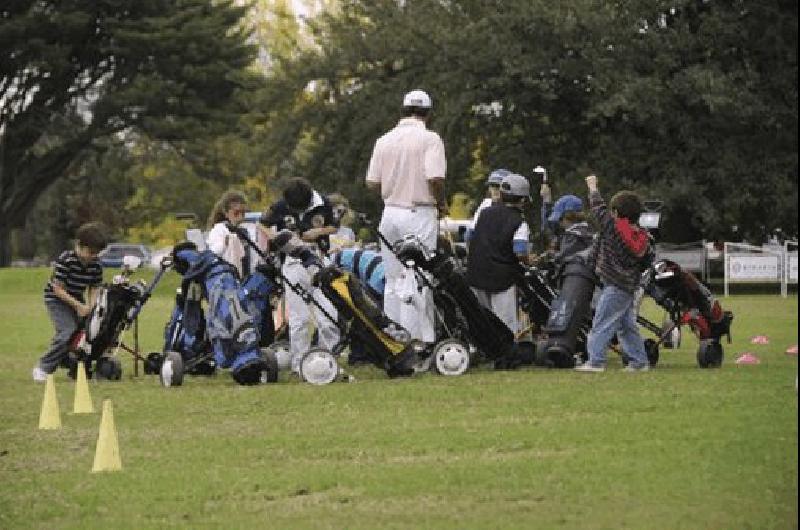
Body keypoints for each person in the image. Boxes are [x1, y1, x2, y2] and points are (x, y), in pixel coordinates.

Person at [365, 89, 446, 345]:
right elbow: (435, 177)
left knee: (392, 279)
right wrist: (441, 202)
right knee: (418, 277)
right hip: (418, 211)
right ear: (428, 114)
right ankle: (418, 339)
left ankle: (393, 340)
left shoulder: (384, 140)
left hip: (390, 213)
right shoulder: (430, 139)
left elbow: (371, 182)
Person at [261, 177, 341, 373]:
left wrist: (317, 232)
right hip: (294, 262)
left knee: (328, 315)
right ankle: (299, 364)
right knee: (300, 319)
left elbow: (334, 226)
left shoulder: (323, 203)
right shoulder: (281, 205)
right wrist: (278, 239)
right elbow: (262, 223)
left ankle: (326, 358)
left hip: (319, 258)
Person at [575, 174, 651, 372]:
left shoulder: (613, 227)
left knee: (602, 323)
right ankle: (639, 361)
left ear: (616, 212)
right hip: (629, 286)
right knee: (626, 326)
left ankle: (595, 361)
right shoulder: (641, 235)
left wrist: (592, 186)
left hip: (614, 285)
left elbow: (597, 207)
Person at [33, 222, 108, 382]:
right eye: (91, 252)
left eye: (97, 253)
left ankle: (70, 363)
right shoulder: (66, 260)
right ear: (79, 245)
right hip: (57, 299)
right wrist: (79, 306)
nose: (94, 256)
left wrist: (91, 306)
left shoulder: (96, 265)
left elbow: (94, 287)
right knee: (67, 331)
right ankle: (43, 368)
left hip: (77, 298)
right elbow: (58, 289)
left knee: (85, 333)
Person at [465, 173, 533, 335]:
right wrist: (529, 260)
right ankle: (507, 352)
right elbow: (520, 251)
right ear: (522, 200)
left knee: (482, 317)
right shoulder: (519, 221)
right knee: (504, 322)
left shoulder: (484, 213)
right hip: (502, 278)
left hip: (476, 272)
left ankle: (483, 349)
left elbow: (469, 236)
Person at [206, 190, 252, 278]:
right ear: (226, 213)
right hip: (227, 277)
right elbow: (213, 252)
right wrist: (225, 243)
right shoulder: (219, 229)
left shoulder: (245, 230)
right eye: (236, 213)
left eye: (243, 213)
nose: (240, 217)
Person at [464, 168, 509, 242]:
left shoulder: (513, 209)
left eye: (498, 186)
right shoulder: (486, 204)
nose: (494, 189)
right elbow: (470, 235)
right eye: (492, 185)